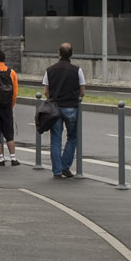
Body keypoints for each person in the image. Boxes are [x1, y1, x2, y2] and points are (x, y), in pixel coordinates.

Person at [44, 42, 84, 178]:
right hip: (71, 107)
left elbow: (46, 92)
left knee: (55, 138)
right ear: (71, 54)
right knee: (72, 137)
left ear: (59, 53)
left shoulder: (50, 70)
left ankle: (57, 170)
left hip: (55, 108)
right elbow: (82, 91)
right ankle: (66, 166)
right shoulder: (77, 70)